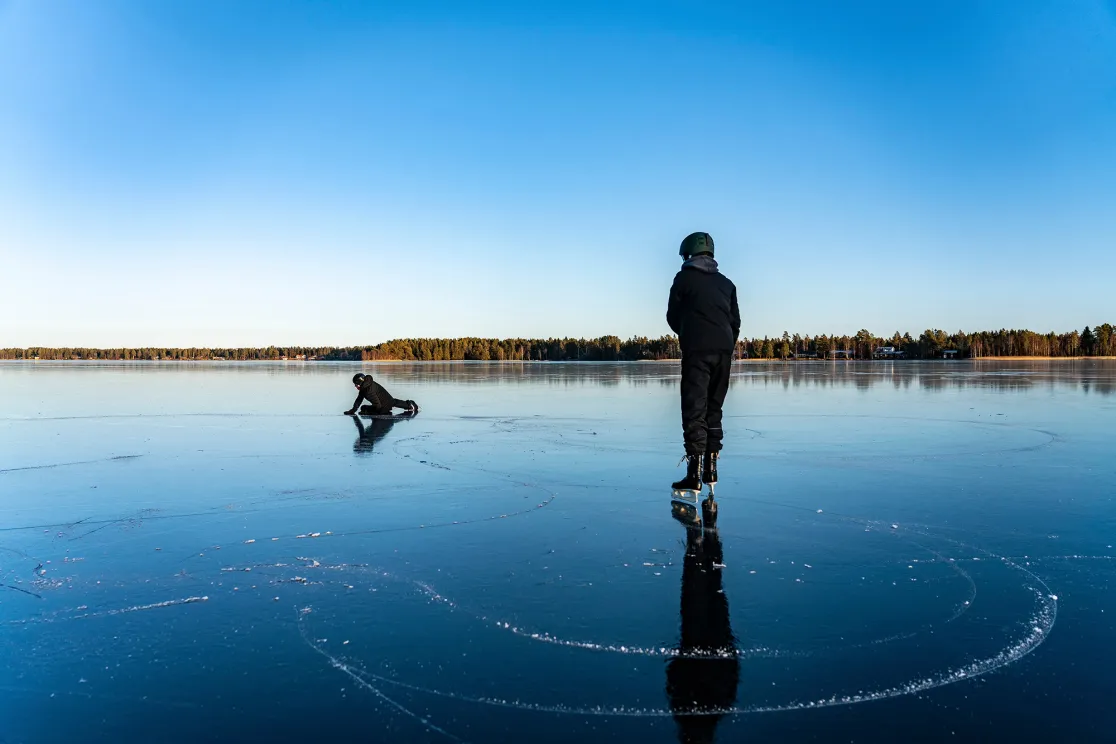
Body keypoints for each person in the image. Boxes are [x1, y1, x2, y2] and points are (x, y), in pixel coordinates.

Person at [667, 232, 740, 494]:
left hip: (697, 351)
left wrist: (689, 332)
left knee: (694, 409)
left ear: (688, 254)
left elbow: (672, 316)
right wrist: (726, 344)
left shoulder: (683, 278)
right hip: (723, 352)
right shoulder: (727, 284)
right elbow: (735, 323)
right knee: (714, 409)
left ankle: (693, 475)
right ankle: (711, 470)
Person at [666, 499, 740, 743]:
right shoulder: (707, 711)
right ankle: (703, 534)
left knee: (706, 595)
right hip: (709, 649)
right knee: (703, 596)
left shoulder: (710, 711)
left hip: (708, 649)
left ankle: (705, 533)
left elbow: (674, 679)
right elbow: (673, 679)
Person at [344, 373, 419, 416]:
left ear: (360, 383)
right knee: (393, 402)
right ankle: (409, 404)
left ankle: (410, 405)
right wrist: (353, 410)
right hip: (389, 400)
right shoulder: (366, 386)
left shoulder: (368, 391)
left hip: (383, 407)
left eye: (356, 384)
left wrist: (372, 413)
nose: (355, 386)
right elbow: (359, 399)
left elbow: (378, 405)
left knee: (364, 409)